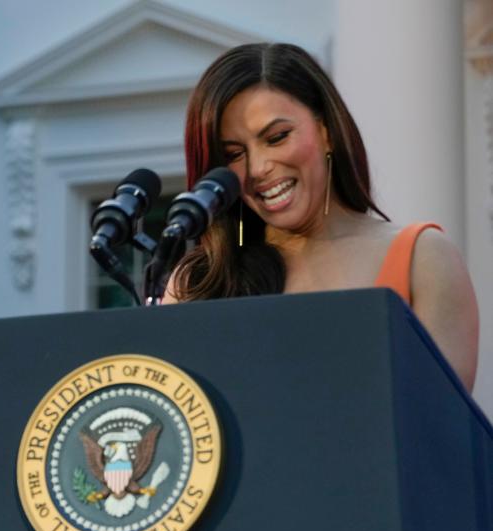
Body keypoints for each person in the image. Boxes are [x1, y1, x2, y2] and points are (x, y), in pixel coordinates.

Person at [166, 43, 479, 391]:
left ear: (327, 130)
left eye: (277, 137)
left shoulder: (423, 259)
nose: (258, 169)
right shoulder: (198, 281)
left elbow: (440, 426)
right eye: (234, 154)